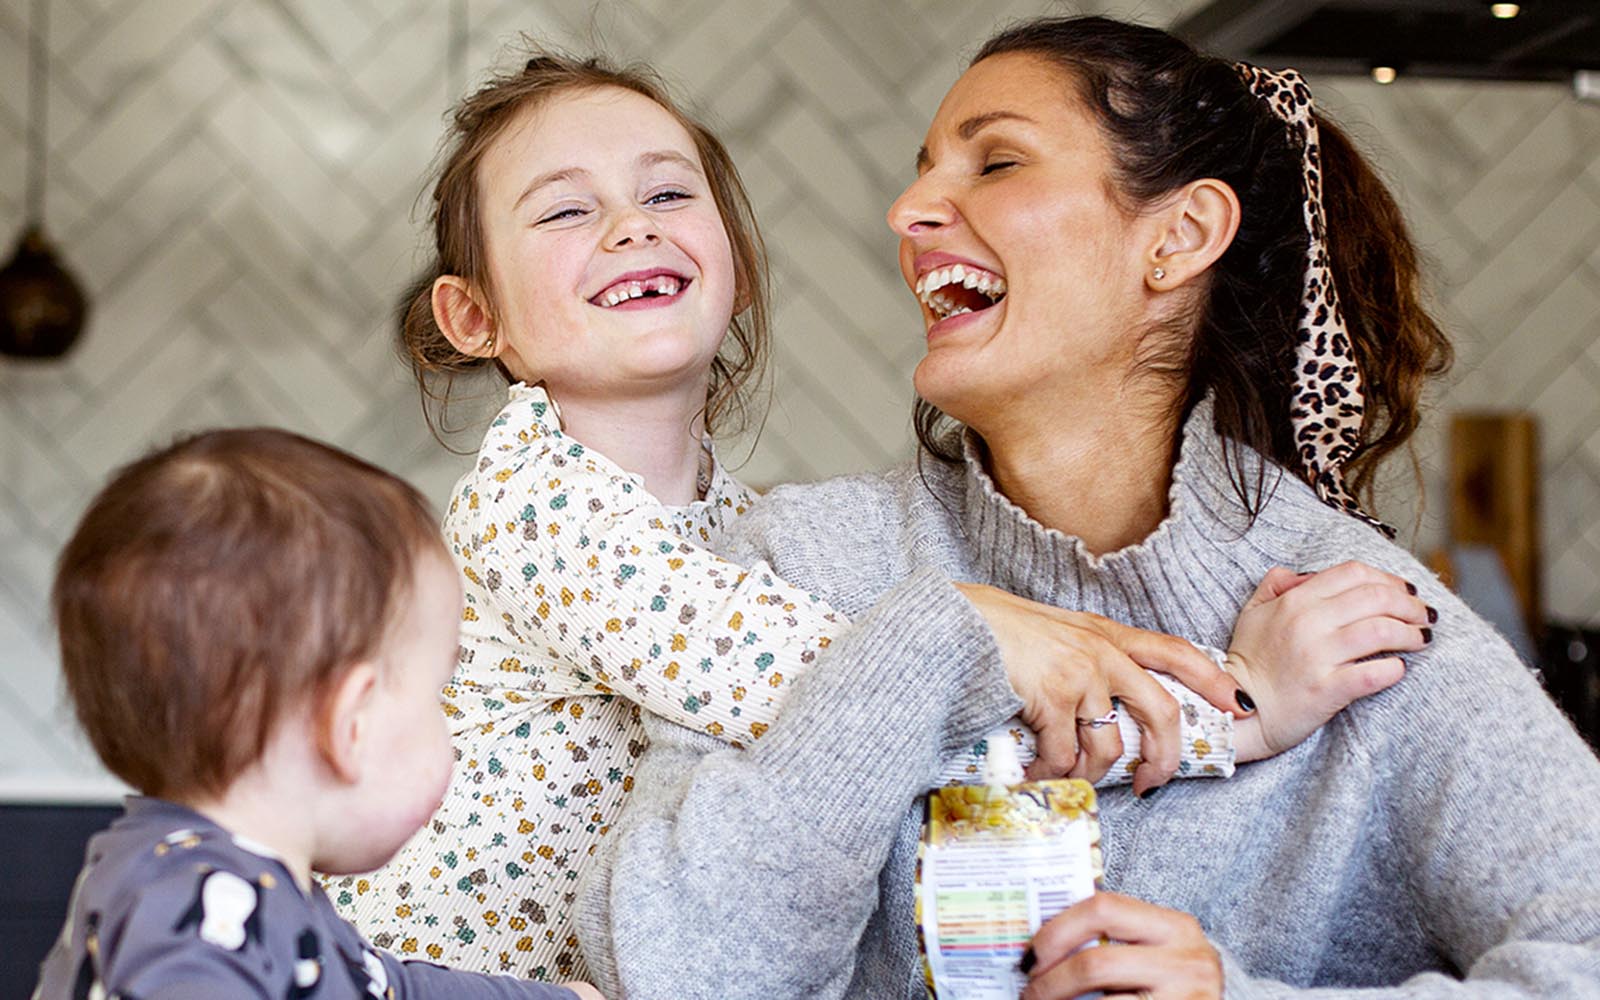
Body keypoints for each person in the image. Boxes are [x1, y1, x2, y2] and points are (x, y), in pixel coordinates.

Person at [337, 50, 1426, 982]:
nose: (630, 226)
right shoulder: (535, 508)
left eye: (669, 195)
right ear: (474, 316)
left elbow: (875, 742)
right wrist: (1237, 712)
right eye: (567, 210)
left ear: (736, 268)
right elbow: (866, 702)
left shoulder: (746, 527)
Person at [572, 15, 1600, 1000]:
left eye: (995, 161)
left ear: (1179, 235)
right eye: (921, 167)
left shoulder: (1358, 636)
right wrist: (942, 636)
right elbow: (677, 977)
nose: (909, 211)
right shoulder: (807, 562)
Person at [33, 429, 600, 1000]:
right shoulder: (198, 918)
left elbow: (392, 988)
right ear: (351, 726)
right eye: (439, 692)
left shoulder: (221, 882)